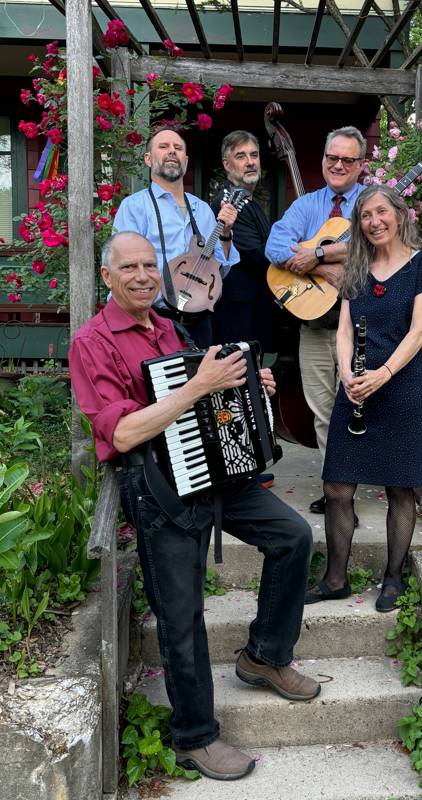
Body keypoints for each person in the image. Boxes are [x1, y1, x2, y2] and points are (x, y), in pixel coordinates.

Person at [69, 231, 318, 781]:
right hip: (157, 489)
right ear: (106, 277)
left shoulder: (167, 326)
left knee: (293, 536)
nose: (141, 275)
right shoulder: (92, 342)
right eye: (127, 267)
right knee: (182, 617)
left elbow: (210, 397)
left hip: (212, 472)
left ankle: (264, 655)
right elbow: (126, 432)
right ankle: (194, 738)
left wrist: (250, 384)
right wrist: (199, 386)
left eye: (148, 265)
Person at [304, 185, 422, 612]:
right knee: (337, 486)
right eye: (365, 216)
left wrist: (381, 374)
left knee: (401, 489)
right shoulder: (357, 269)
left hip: (403, 388)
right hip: (358, 389)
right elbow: (344, 330)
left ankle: (394, 578)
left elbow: (419, 332)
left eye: (381, 212)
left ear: (400, 215)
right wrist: (346, 373)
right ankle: (335, 579)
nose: (374, 221)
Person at [265, 126, 366, 516]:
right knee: (323, 412)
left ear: (361, 164)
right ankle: (336, 492)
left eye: (347, 159)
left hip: (361, 327)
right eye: (331, 158)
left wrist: (319, 255)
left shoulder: (371, 203)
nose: (338, 165)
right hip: (315, 325)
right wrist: (323, 272)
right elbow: (275, 245)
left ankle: (349, 490)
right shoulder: (307, 206)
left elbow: (375, 241)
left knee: (357, 411)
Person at [113, 127, 240, 348]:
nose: (172, 151)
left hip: (199, 323)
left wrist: (226, 233)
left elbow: (220, 271)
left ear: (186, 160)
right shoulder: (134, 207)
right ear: (148, 159)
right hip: (151, 319)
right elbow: (123, 268)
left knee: (201, 382)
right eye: (163, 147)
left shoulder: (202, 210)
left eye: (178, 148)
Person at [211, 130, 274, 353]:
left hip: (252, 308)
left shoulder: (249, 201)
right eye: (241, 156)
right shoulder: (227, 203)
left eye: (254, 155)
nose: (250, 162)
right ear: (227, 165)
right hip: (236, 313)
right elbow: (257, 255)